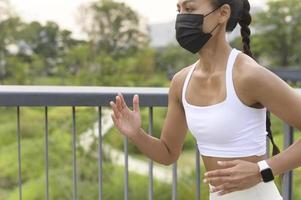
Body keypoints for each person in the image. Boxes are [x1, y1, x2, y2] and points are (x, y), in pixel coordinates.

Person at [110, 0, 300, 199]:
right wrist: (136, 134)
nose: (182, 17)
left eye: (190, 9)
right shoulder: (181, 82)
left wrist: (263, 170)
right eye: (179, 10)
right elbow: (167, 153)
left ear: (223, 13)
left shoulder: (249, 75)